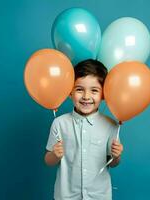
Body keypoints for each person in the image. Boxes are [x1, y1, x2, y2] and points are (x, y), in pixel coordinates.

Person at [44, 59, 123, 200]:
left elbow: (114, 163)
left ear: (103, 94)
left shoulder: (111, 125)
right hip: (66, 196)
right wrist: (55, 155)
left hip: (99, 196)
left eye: (94, 90)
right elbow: (48, 160)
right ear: (70, 92)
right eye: (79, 89)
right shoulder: (59, 123)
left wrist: (116, 156)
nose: (86, 97)